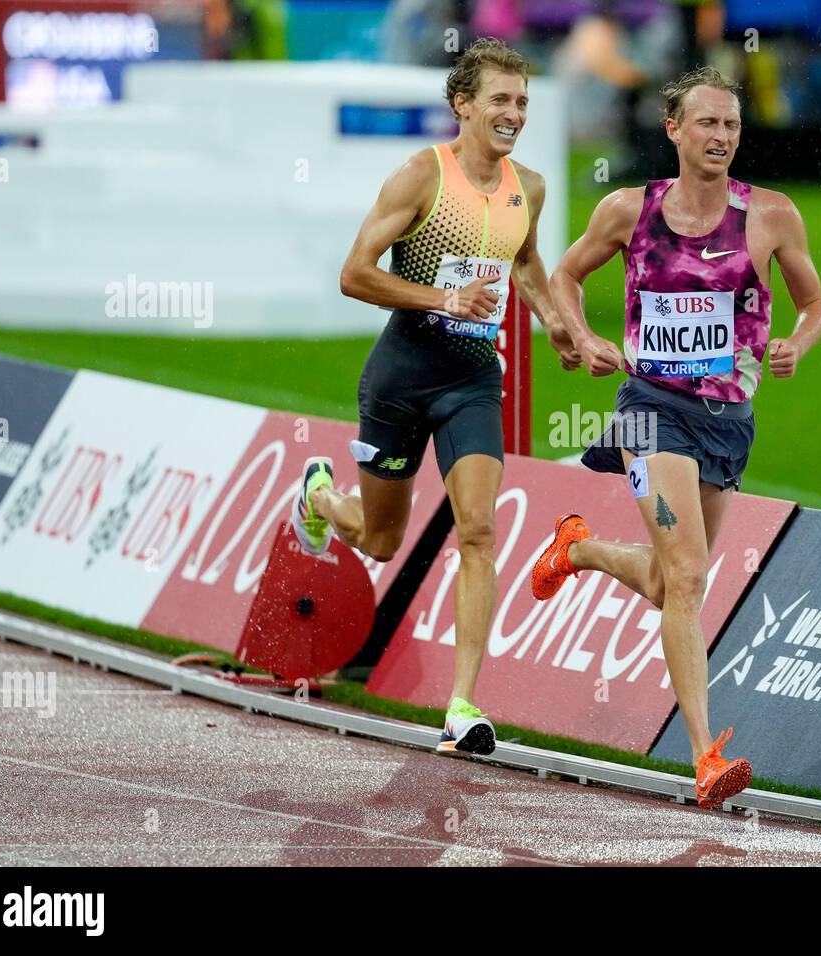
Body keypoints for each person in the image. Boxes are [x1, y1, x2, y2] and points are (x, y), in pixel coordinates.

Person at [533, 67, 821, 808]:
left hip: (728, 421)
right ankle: (704, 754)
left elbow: (816, 305)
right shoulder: (627, 210)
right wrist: (581, 335)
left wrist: (798, 342)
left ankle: (580, 548)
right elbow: (563, 277)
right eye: (706, 124)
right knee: (691, 578)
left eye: (730, 126)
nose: (721, 138)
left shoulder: (772, 216)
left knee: (670, 582)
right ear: (673, 129)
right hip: (647, 408)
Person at [289, 38, 578, 755]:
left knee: (477, 529)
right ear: (464, 105)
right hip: (400, 374)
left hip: (473, 378)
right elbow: (354, 274)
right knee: (383, 541)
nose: (513, 114)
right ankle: (320, 498)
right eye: (500, 101)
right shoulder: (422, 175)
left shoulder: (528, 187)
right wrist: (444, 294)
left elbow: (528, 263)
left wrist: (561, 328)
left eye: (522, 102)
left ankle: (462, 707)